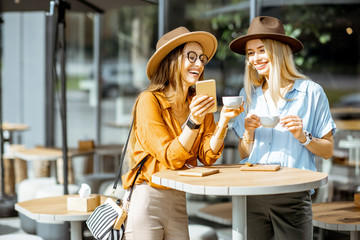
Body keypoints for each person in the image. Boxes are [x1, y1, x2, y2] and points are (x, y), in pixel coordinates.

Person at [121, 26, 243, 240]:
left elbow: (207, 156)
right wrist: (193, 121)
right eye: (192, 57)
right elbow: (171, 157)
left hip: (178, 199)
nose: (199, 64)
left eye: (202, 58)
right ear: (172, 60)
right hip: (148, 197)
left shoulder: (196, 102)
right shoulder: (149, 101)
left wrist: (223, 120)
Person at [230, 16, 336, 240]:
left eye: (261, 50)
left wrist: (303, 136)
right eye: (250, 53)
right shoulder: (247, 95)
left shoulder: (311, 92)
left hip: (292, 195)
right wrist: (248, 133)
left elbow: (327, 151)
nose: (255, 58)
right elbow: (244, 153)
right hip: (251, 193)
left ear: (278, 51)